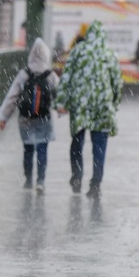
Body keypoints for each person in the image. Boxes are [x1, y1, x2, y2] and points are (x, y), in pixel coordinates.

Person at [54, 20, 123, 197]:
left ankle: (77, 175)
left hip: (80, 105)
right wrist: (114, 103)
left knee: (77, 142)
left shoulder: (78, 51)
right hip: (102, 107)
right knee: (99, 146)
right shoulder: (110, 54)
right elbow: (117, 83)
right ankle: (96, 183)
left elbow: (66, 78)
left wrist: (61, 102)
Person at [0, 38, 60, 192]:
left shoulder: (24, 74)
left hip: (25, 118)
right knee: (42, 150)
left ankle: (28, 179)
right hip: (44, 118)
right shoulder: (50, 75)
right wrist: (62, 108)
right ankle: (41, 181)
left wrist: (3, 117)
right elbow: (61, 94)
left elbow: (12, 97)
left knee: (28, 149)